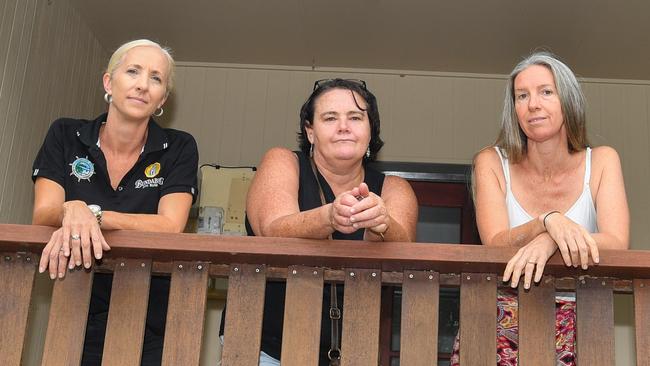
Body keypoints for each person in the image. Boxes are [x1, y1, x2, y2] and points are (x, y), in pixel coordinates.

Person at [451, 52, 629, 365]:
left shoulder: (601, 160)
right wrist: (547, 221)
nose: (533, 104)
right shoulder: (491, 162)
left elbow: (617, 242)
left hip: (580, 319)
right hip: (498, 317)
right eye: (522, 96)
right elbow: (495, 241)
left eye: (546, 92)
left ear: (568, 101)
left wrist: (550, 238)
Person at [32, 39, 199, 365]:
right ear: (109, 82)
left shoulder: (180, 147)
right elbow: (43, 213)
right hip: (74, 300)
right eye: (133, 71)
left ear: (162, 98)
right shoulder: (65, 134)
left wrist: (94, 215)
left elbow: (170, 226)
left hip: (150, 312)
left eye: (156, 78)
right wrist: (71, 208)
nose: (142, 85)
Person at [238, 78, 418, 365]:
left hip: (352, 353)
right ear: (310, 132)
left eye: (356, 117)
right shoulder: (283, 160)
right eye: (330, 117)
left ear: (371, 131)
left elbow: (404, 252)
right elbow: (271, 229)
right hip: (265, 349)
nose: (343, 126)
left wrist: (381, 224)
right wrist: (329, 216)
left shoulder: (394, 187)